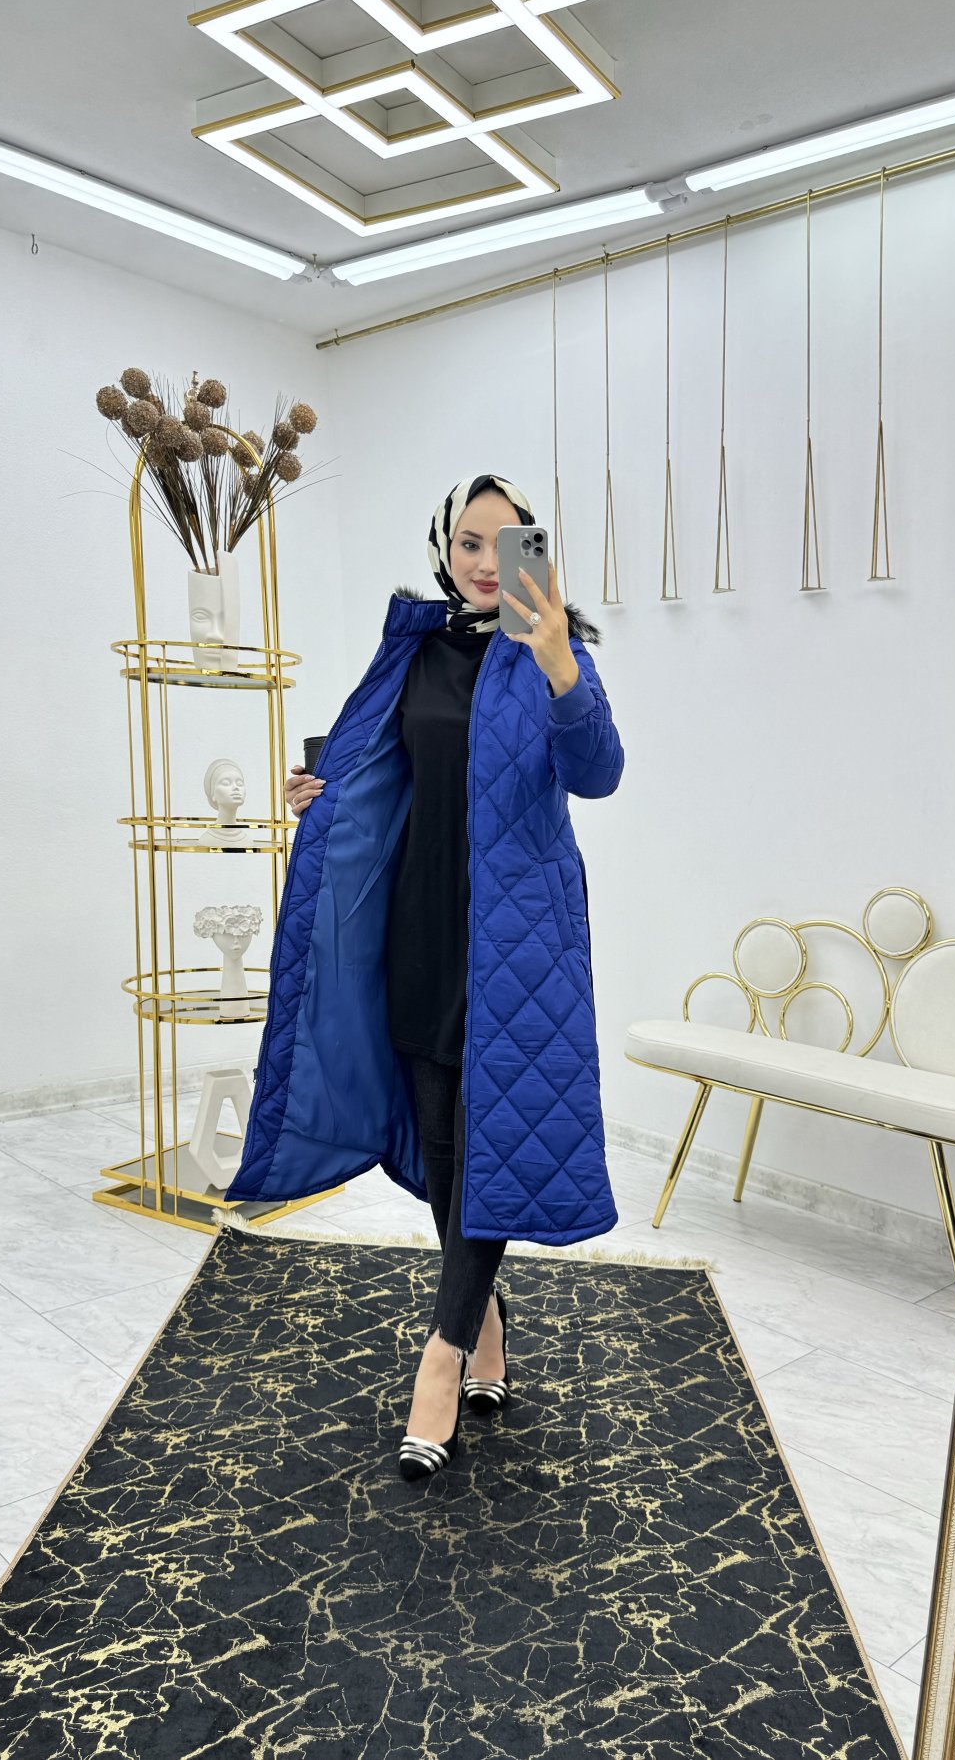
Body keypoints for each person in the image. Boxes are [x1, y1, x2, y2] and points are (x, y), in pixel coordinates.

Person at [274, 473, 624, 1481]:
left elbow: (598, 772)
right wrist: (317, 794)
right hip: (420, 922)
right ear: (444, 547)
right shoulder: (414, 649)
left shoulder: (550, 651)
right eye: (469, 542)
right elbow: (380, 774)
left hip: (517, 940)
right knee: (440, 1146)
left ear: (533, 555)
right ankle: (487, 1325)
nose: (483, 562)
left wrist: (558, 660)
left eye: (505, 545)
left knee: (489, 1146)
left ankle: (441, 1358)